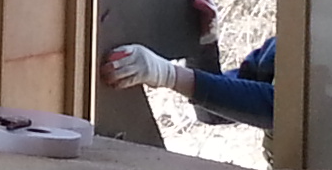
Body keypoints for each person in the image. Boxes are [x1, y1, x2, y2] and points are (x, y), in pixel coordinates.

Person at [106, 33, 276, 128]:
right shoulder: (277, 48)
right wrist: (204, 43)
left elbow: (277, 109)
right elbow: (213, 114)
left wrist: (169, 75)